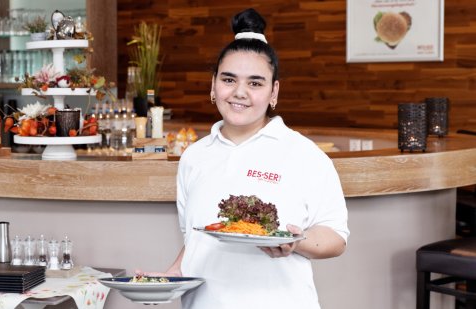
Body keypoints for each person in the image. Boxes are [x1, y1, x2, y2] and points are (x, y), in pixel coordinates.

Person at [139, 8, 349, 308]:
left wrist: (296, 242)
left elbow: (336, 238)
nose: (239, 93)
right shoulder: (194, 157)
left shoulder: (304, 154)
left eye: (255, 83)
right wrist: (169, 278)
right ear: (213, 85)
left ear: (274, 91)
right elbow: (198, 241)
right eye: (228, 80)